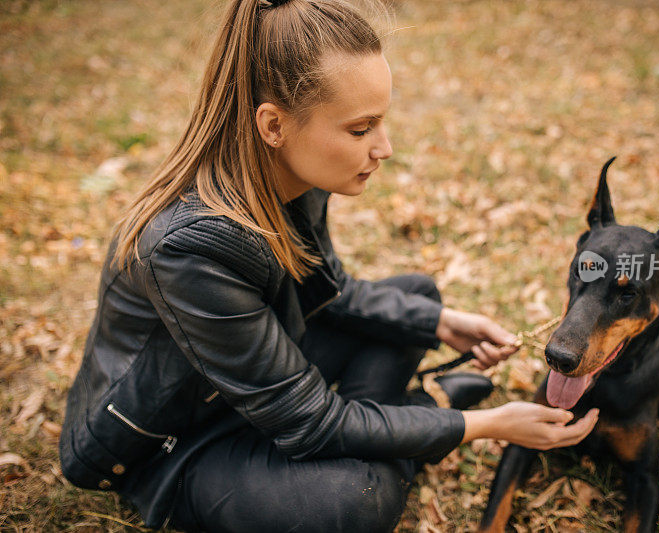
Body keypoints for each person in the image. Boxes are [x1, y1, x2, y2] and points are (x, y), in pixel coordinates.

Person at [58, 0, 599, 531]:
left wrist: (441, 324)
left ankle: (395, 427)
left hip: (259, 383)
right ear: (274, 124)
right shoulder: (190, 246)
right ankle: (407, 421)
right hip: (174, 438)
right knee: (351, 505)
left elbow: (329, 290)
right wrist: (480, 426)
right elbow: (311, 421)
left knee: (416, 299)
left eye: (381, 123)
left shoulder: (296, 175)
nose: (383, 147)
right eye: (361, 129)